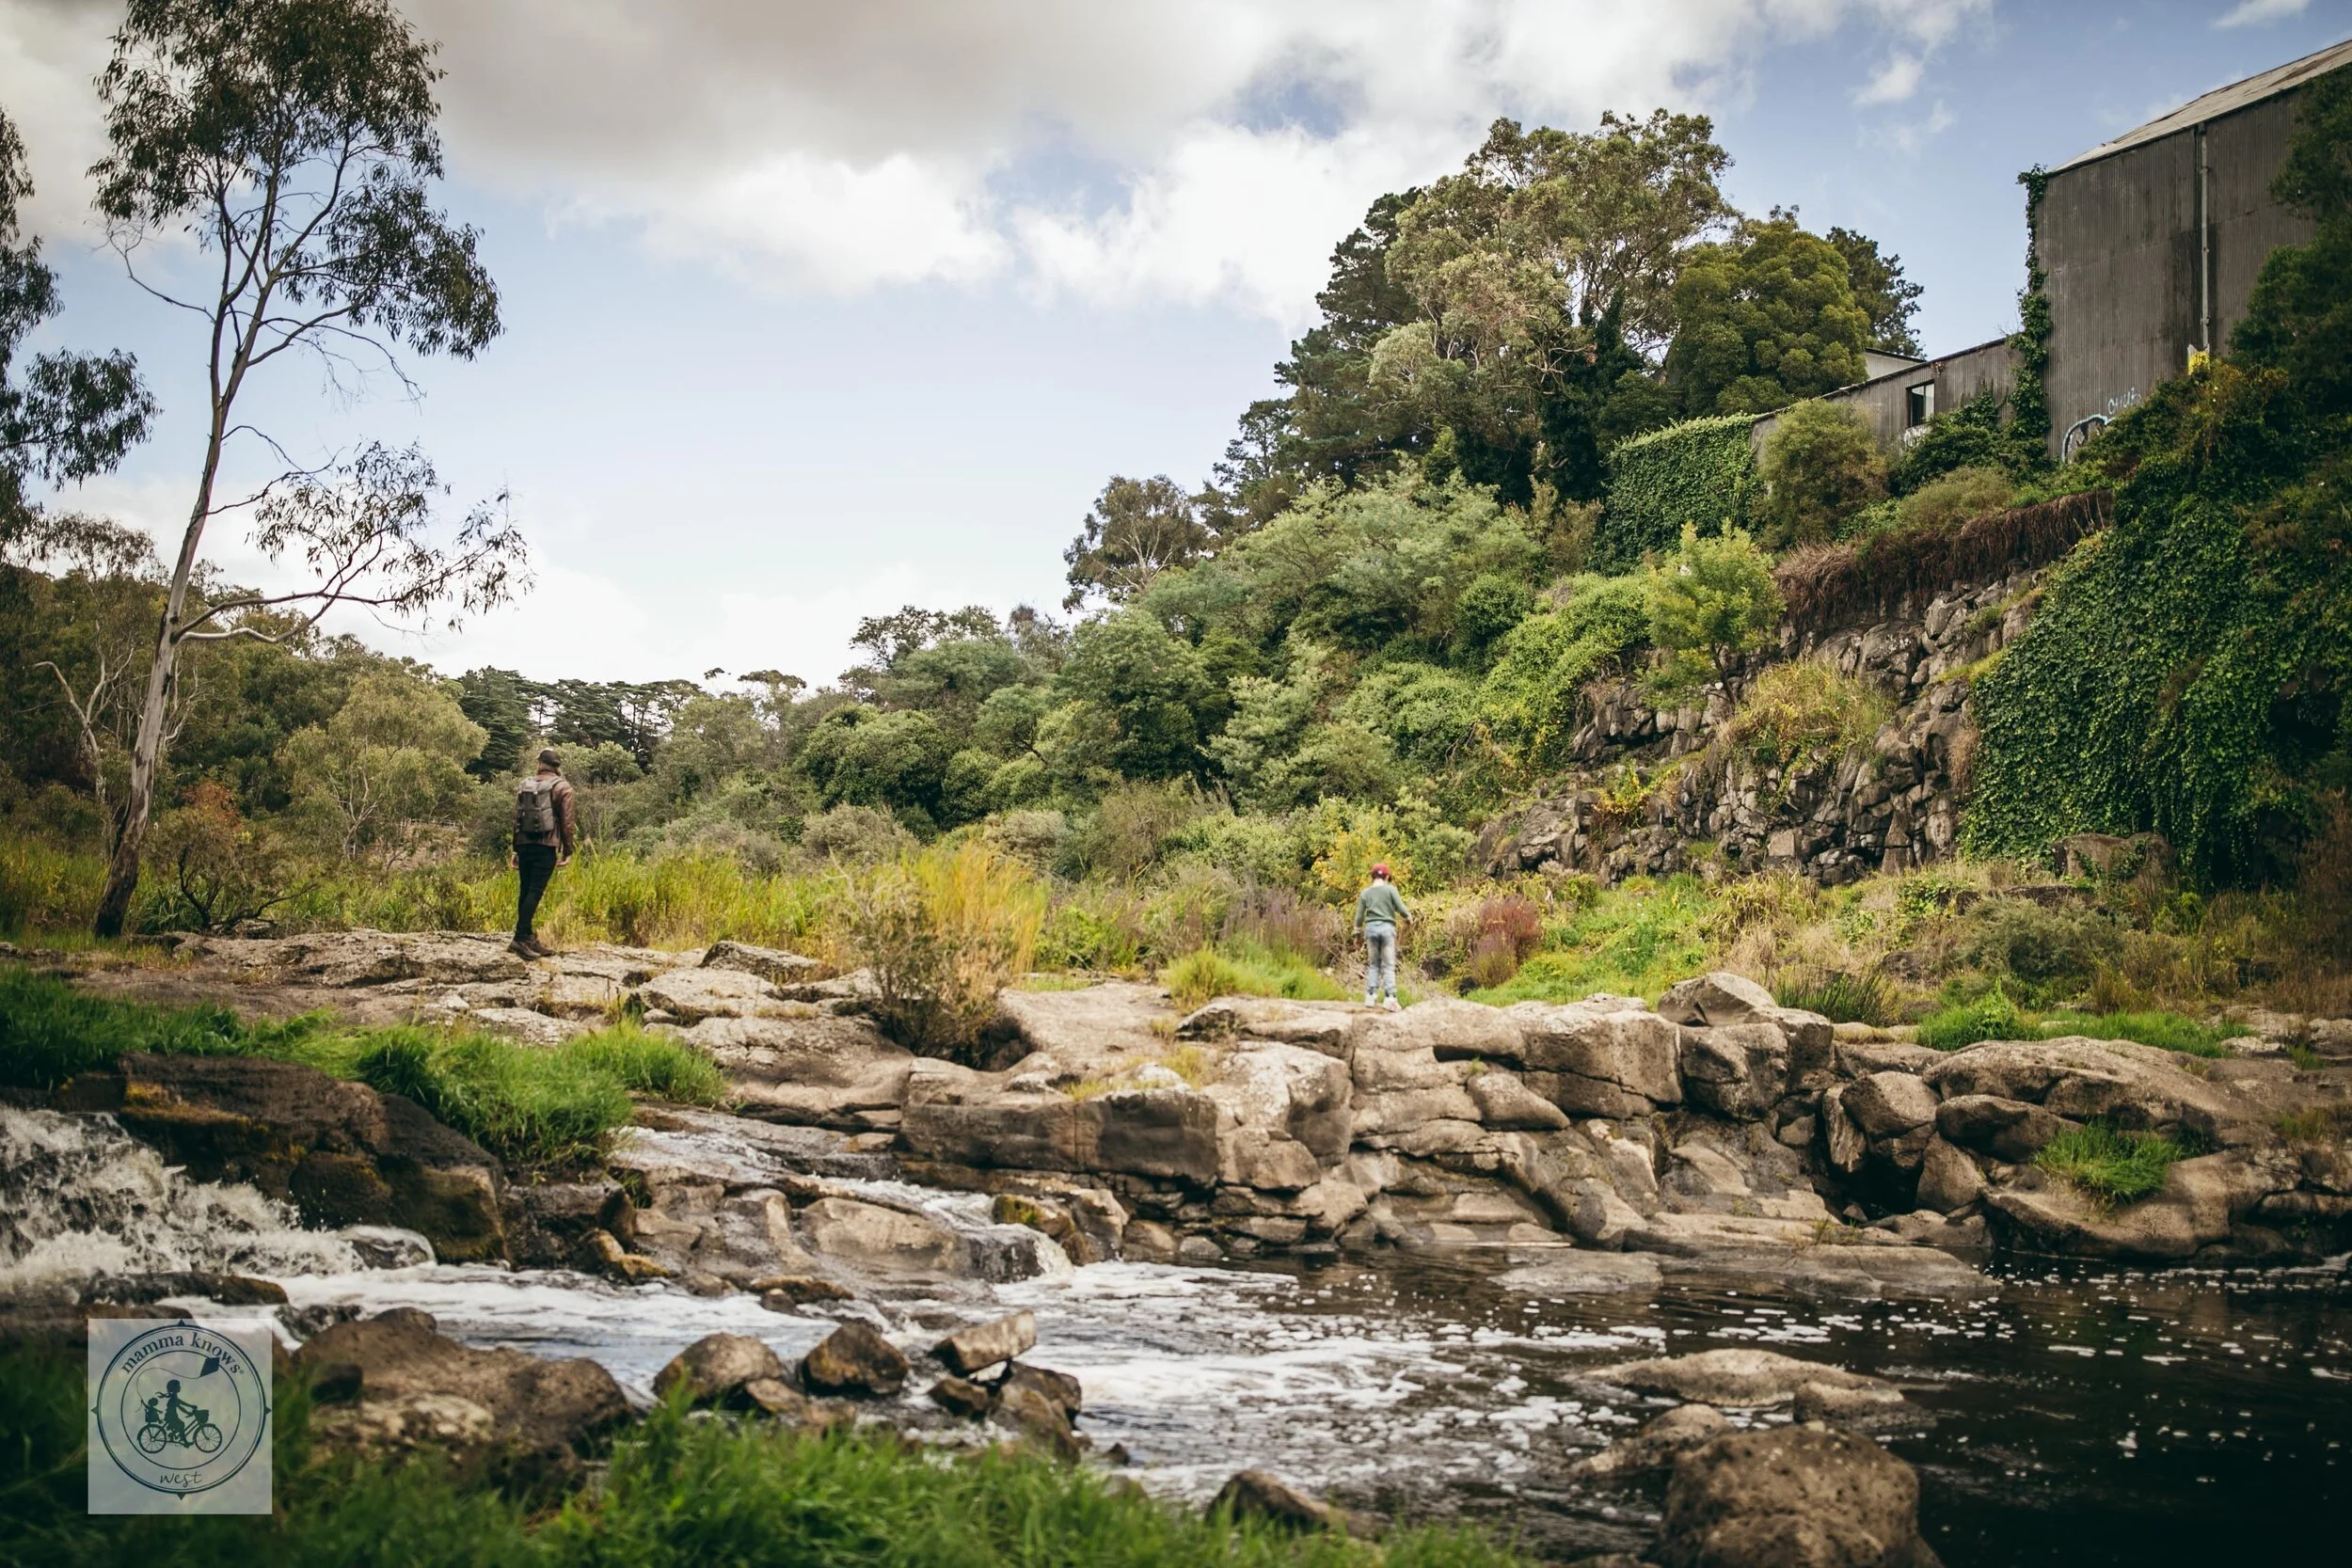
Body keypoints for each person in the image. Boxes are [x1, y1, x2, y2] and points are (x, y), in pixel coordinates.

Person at [510, 748, 576, 958]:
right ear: (557, 766)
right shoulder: (563, 788)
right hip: (546, 846)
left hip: (523, 844)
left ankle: (527, 936)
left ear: (540, 763)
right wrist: (568, 850)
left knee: (525, 889)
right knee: (535, 891)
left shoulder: (525, 785)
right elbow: (567, 823)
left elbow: (517, 819)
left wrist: (515, 849)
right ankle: (520, 938)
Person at [1352, 862, 1410, 1010]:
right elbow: (1401, 909)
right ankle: (1390, 998)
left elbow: (1359, 917)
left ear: (1372, 877)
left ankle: (1370, 996)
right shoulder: (1390, 890)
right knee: (1388, 965)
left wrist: (1357, 936)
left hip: (1370, 930)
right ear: (1387, 876)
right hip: (1386, 929)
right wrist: (1408, 919)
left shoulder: (1365, 893)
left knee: (1374, 964)